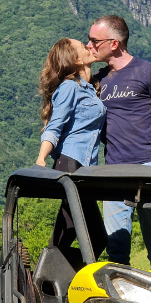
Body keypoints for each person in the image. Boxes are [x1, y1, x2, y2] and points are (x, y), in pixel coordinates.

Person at [88, 15, 151, 267]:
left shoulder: (148, 72)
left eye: (95, 41)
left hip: (150, 166)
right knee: (116, 247)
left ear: (114, 43)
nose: (90, 45)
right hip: (113, 171)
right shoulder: (98, 79)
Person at [36, 38, 106, 253]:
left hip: (84, 167)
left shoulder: (91, 88)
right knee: (94, 236)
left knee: (68, 231)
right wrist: (41, 159)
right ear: (76, 59)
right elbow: (55, 126)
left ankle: (49, 283)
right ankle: (53, 282)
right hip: (70, 164)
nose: (89, 46)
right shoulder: (69, 87)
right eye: (84, 47)